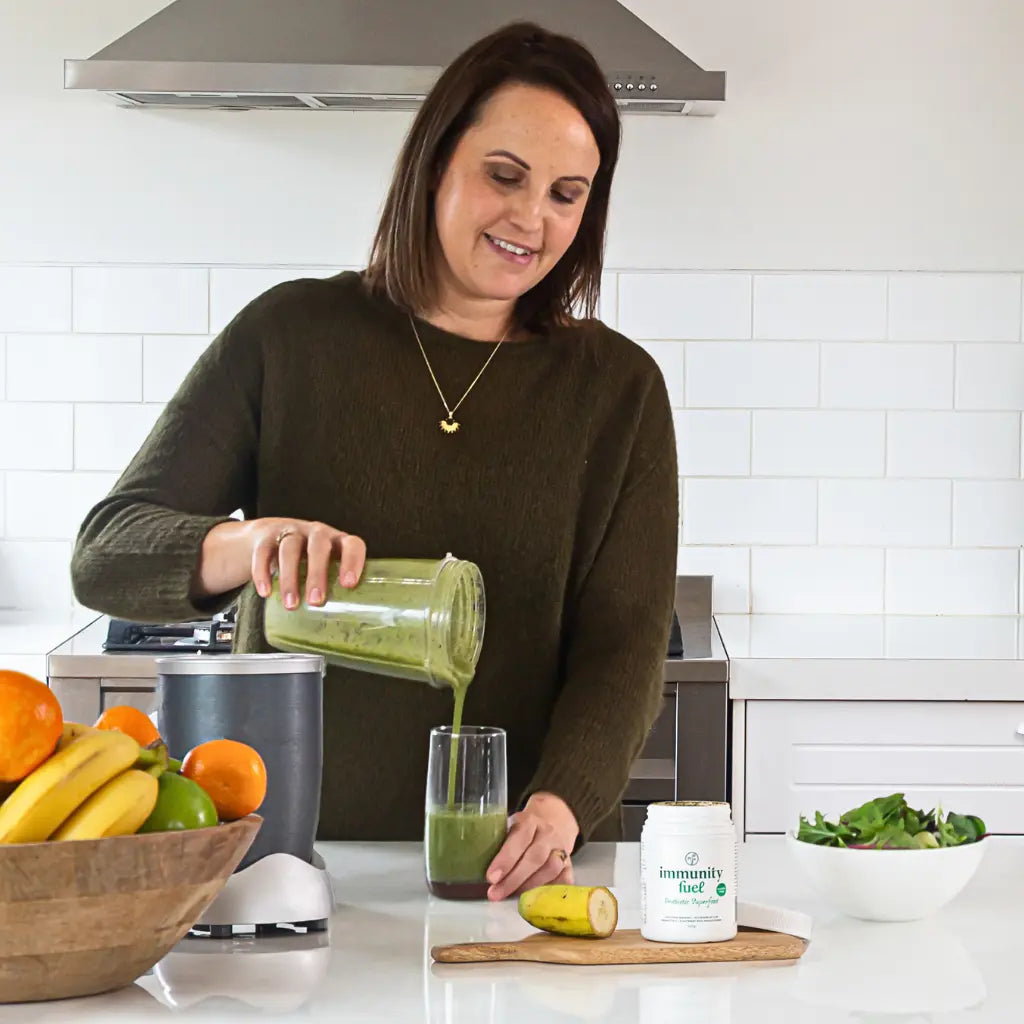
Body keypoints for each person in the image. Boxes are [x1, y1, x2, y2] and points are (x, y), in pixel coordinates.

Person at [70, 21, 678, 902]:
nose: (532, 218)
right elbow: (105, 554)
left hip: (512, 875)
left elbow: (625, 646)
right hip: (283, 862)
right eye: (504, 176)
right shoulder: (289, 336)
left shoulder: (618, 388)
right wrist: (252, 544)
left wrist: (562, 806)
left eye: (566, 193)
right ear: (435, 164)